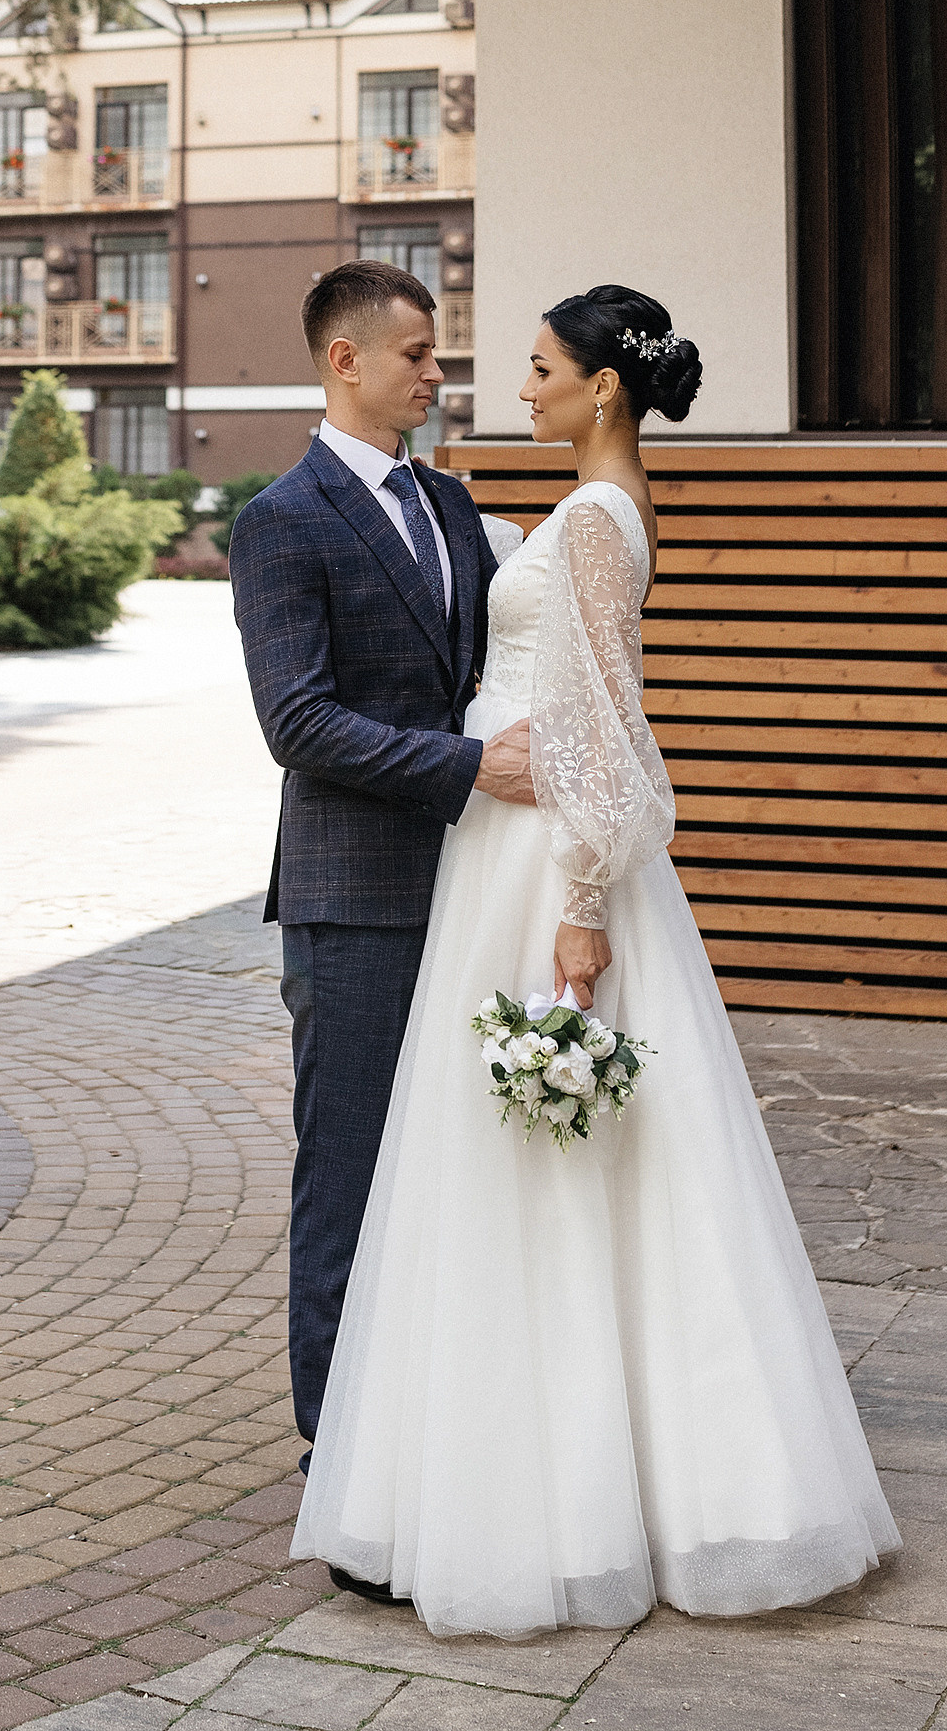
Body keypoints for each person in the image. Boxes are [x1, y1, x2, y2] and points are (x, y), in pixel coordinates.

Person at [290, 284, 899, 1639]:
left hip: (540, 866)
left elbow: (611, 734)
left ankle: (557, 1494)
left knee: (553, 1173)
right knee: (508, 1169)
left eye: (541, 367)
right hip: (490, 851)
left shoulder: (599, 523)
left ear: (605, 389)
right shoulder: (571, 517)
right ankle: (495, 1468)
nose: (517, 386)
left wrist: (579, 904)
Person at [227, 260, 536, 1511]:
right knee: (347, 1177)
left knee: (459, 1170)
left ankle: (434, 1418)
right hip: (351, 903)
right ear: (344, 360)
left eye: (436, 352)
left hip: (474, 892)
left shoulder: (456, 508)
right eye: (413, 352)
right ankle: (335, 1453)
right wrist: (470, 768)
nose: (434, 371)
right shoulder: (279, 520)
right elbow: (296, 722)